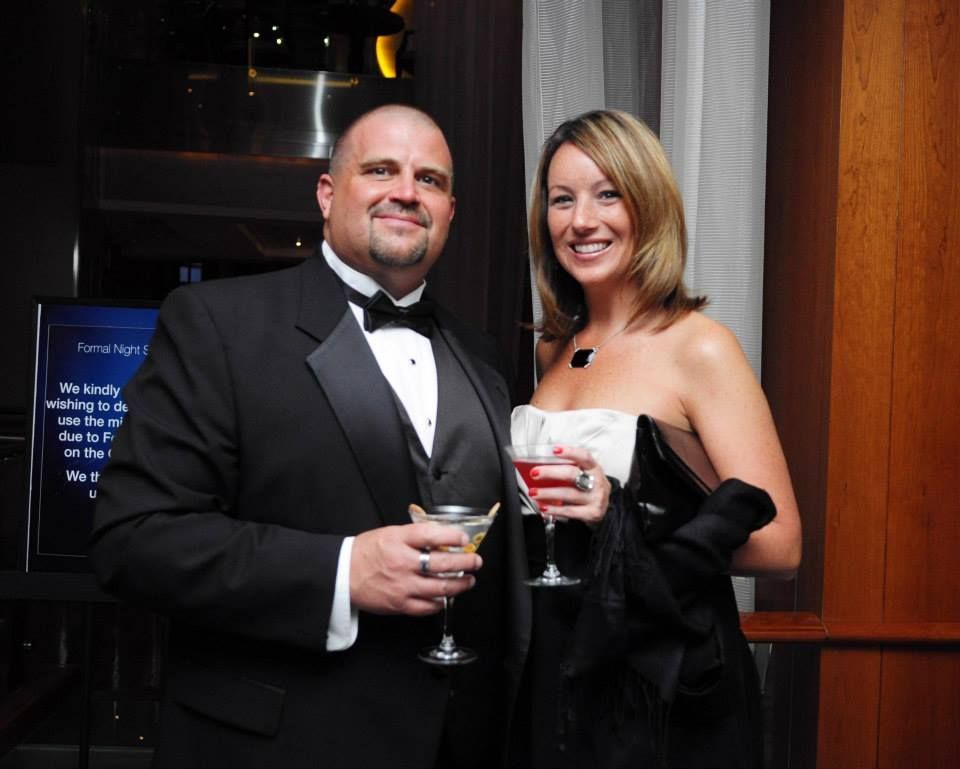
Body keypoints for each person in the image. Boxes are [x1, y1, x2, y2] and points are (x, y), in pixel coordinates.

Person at [90, 104, 531, 769]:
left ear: (450, 211)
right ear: (327, 194)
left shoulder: (482, 356)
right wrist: (342, 571)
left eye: (430, 180)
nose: (407, 191)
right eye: (380, 169)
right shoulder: (218, 323)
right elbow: (133, 538)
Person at [508, 109, 802, 768]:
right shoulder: (555, 345)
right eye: (562, 198)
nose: (581, 219)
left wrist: (621, 517)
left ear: (647, 204)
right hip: (562, 658)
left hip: (660, 677)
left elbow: (782, 543)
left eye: (607, 193)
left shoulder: (699, 346)